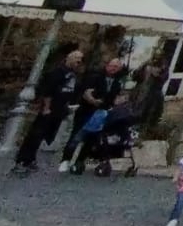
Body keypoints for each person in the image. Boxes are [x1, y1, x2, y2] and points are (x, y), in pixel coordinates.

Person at [15, 45, 84, 174]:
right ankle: (23, 160)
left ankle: (30, 159)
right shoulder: (57, 72)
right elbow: (48, 91)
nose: (78, 61)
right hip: (49, 109)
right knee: (36, 134)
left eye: (80, 59)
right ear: (69, 58)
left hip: (60, 109)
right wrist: (46, 108)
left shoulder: (73, 75)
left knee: (45, 135)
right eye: (76, 58)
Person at [60, 56, 125, 173]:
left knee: (91, 139)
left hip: (101, 113)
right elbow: (86, 93)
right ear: (107, 66)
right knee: (77, 135)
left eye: (117, 67)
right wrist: (93, 101)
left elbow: (114, 99)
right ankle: (65, 160)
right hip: (87, 110)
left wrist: (118, 103)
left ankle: (80, 161)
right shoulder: (95, 77)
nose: (114, 69)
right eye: (112, 66)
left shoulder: (117, 83)